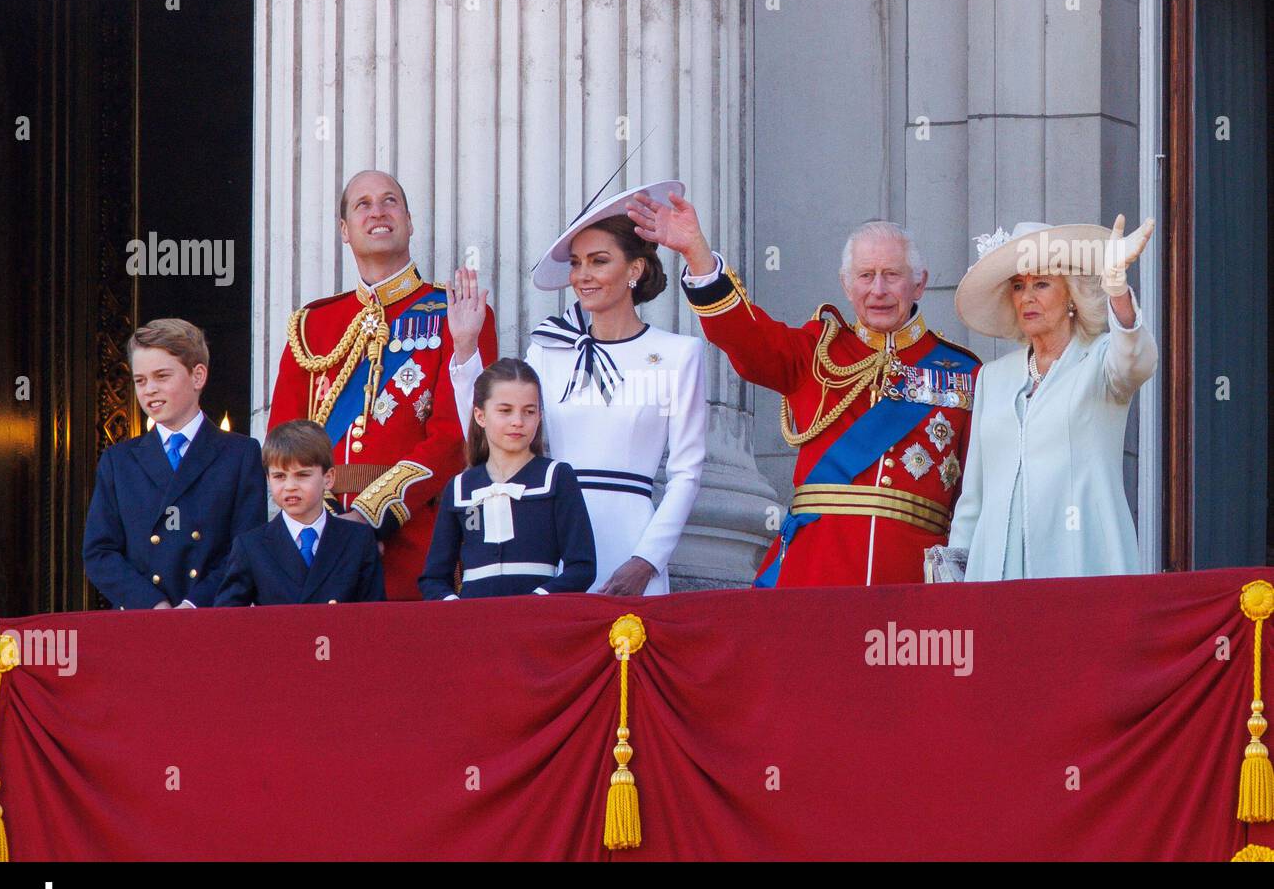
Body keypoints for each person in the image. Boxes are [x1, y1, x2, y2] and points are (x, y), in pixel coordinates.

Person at [626, 190, 981, 587]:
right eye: (865, 276)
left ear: (919, 285)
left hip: (913, 578)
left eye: (892, 275)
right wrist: (697, 253)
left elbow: (978, 495)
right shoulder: (816, 350)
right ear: (847, 286)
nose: (877, 289)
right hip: (814, 570)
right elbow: (746, 337)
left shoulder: (965, 373)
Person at [446, 181, 706, 596]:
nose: (583, 275)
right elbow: (491, 432)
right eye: (577, 263)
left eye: (598, 261)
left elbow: (686, 473)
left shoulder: (679, 354)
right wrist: (465, 348)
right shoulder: (549, 350)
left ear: (634, 270)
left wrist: (646, 560)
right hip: (547, 537)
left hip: (631, 539)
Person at [267, 169, 498, 600]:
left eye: (390, 201)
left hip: (417, 538)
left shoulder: (457, 311)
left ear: (409, 222)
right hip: (320, 534)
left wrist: (371, 514)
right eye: (363, 204)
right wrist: (324, 521)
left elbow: (456, 436)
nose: (378, 212)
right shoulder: (313, 324)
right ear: (344, 230)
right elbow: (284, 438)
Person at [947, 216, 1158, 579]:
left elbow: (1136, 361)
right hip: (995, 568)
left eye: (1041, 284)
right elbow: (974, 498)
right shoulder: (993, 379)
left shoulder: (1101, 360)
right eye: (1017, 286)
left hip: (1080, 556)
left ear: (1072, 296)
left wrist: (1117, 290)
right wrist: (955, 574)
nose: (1026, 297)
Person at [83, 319, 267, 609]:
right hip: (143, 621)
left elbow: (247, 548)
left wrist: (194, 605)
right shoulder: (118, 462)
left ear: (198, 376)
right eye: (140, 380)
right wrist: (152, 603)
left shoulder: (240, 454)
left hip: (212, 619)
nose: (149, 390)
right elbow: (99, 552)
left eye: (161, 376)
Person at [419, 358, 595, 599]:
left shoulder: (556, 477)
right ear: (480, 416)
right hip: (475, 623)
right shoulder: (460, 487)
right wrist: (454, 608)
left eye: (529, 411)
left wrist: (537, 601)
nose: (518, 421)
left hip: (537, 619)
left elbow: (582, 566)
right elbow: (434, 577)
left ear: (540, 416)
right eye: (505, 410)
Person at [216, 421, 385, 606]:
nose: (290, 487)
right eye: (279, 476)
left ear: (328, 479)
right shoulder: (251, 546)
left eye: (302, 475)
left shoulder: (358, 540)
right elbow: (227, 621)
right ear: (268, 479)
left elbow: (375, 620)